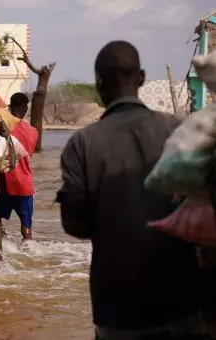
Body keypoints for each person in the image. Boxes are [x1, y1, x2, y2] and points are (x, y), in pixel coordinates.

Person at [56, 41, 205, 339]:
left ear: (98, 82)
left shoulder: (83, 144)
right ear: (141, 78)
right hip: (182, 297)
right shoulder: (177, 131)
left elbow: (75, 225)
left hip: (118, 306)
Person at [0, 92, 38, 240]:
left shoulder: (4, 128)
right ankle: (28, 252)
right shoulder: (34, 132)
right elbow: (27, 154)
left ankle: (2, 247)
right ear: (26, 109)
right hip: (25, 186)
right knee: (27, 228)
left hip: (6, 184)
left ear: (10, 108)